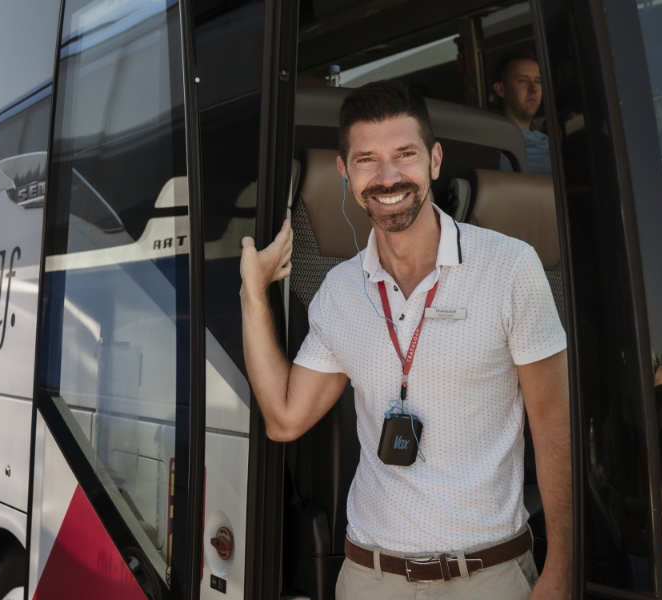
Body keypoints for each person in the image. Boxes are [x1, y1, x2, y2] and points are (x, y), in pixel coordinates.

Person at [240, 80, 572, 599]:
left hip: (487, 578)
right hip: (369, 577)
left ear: (435, 161)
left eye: (405, 155)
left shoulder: (509, 267)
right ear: (345, 173)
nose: (388, 176)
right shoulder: (340, 290)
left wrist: (562, 570)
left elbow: (555, 424)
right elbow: (284, 419)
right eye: (367, 160)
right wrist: (253, 295)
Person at [494, 50, 552, 177]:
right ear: (501, 89)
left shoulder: (552, 143)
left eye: (538, 81)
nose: (533, 88)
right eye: (523, 80)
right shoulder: (489, 144)